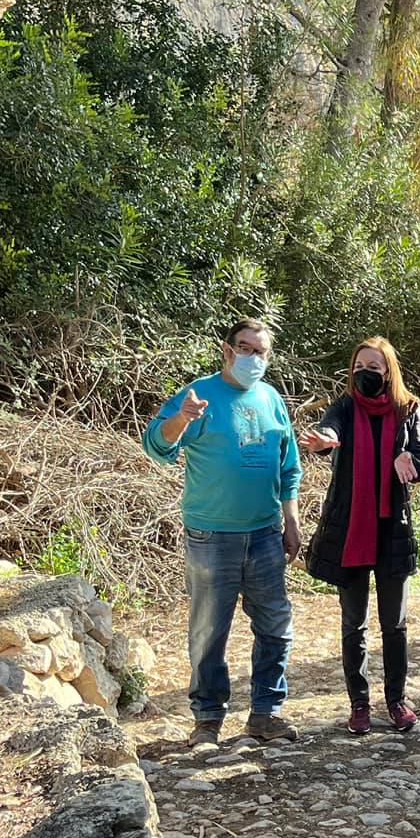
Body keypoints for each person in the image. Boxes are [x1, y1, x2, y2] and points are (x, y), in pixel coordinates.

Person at [142, 318, 302, 746]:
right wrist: (181, 418)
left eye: (261, 351)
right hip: (212, 536)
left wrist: (291, 519)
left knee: (275, 626)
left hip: (266, 533)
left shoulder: (270, 398)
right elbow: (157, 446)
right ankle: (208, 718)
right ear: (227, 351)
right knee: (209, 630)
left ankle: (266, 713)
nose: (254, 358)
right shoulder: (200, 394)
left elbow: (288, 467)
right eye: (246, 349)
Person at [299, 338, 420, 735]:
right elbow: (329, 431)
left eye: (374, 366)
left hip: (393, 529)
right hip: (351, 528)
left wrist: (411, 461)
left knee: (396, 624)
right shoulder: (344, 406)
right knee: (353, 624)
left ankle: (396, 701)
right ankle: (359, 703)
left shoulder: (408, 409)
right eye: (359, 365)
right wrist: (324, 440)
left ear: (388, 370)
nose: (365, 373)